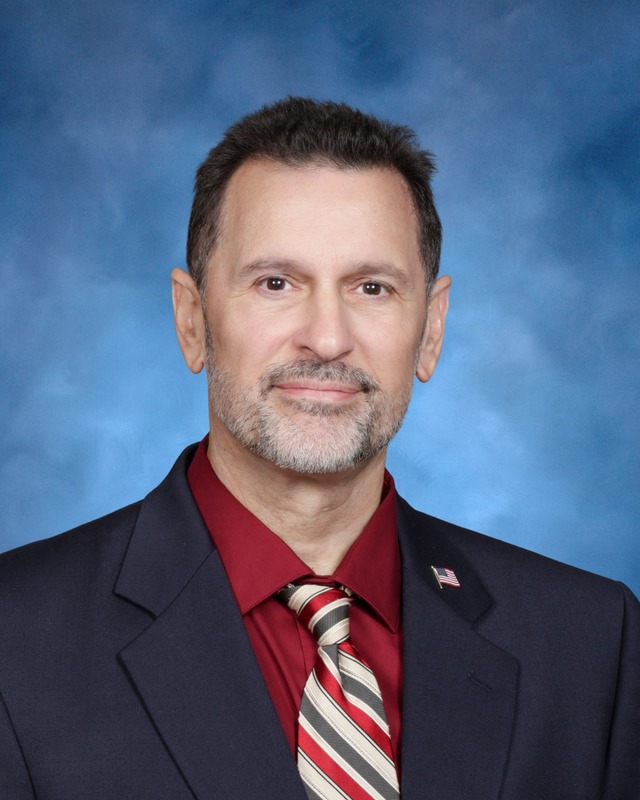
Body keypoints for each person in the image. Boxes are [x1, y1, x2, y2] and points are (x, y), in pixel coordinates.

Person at [0, 97, 638, 800]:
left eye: (372, 287)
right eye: (276, 283)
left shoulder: (590, 642)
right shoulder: (16, 639)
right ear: (191, 321)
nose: (327, 338)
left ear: (430, 330)